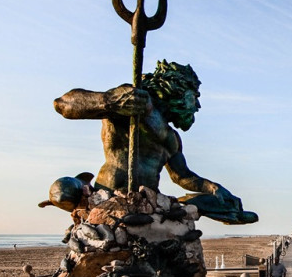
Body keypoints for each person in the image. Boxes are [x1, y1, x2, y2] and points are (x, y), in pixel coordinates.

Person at [53, 60, 256, 225]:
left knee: (214, 202)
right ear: (178, 90)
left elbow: (182, 177)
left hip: (149, 201)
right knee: (63, 190)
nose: (197, 105)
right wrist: (110, 101)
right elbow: (63, 104)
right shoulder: (135, 100)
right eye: (194, 97)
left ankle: (228, 210)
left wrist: (214, 188)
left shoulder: (171, 138)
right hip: (108, 195)